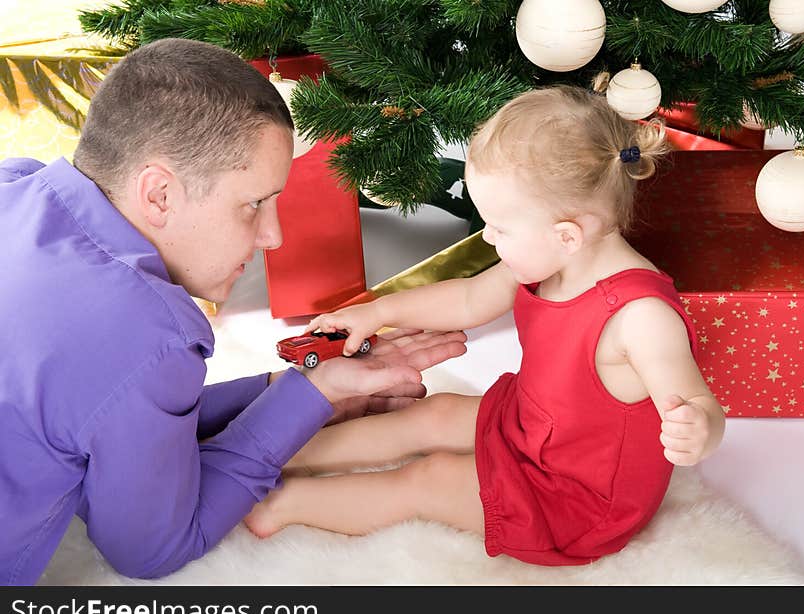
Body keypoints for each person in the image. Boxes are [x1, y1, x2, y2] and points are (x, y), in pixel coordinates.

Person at [0, 38, 467, 585]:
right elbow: (149, 549)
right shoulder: (151, 332)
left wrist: (285, 388)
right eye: (253, 204)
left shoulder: (17, 185)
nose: (273, 235)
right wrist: (312, 394)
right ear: (159, 195)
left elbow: (98, 412)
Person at [244, 86, 727, 566]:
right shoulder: (551, 257)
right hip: (532, 423)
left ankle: (281, 507)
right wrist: (376, 312)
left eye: (498, 227)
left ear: (566, 235)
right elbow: (469, 297)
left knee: (430, 480)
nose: (488, 238)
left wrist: (697, 428)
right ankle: (272, 454)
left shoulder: (640, 318)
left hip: (576, 498)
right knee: (432, 416)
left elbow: (699, 403)